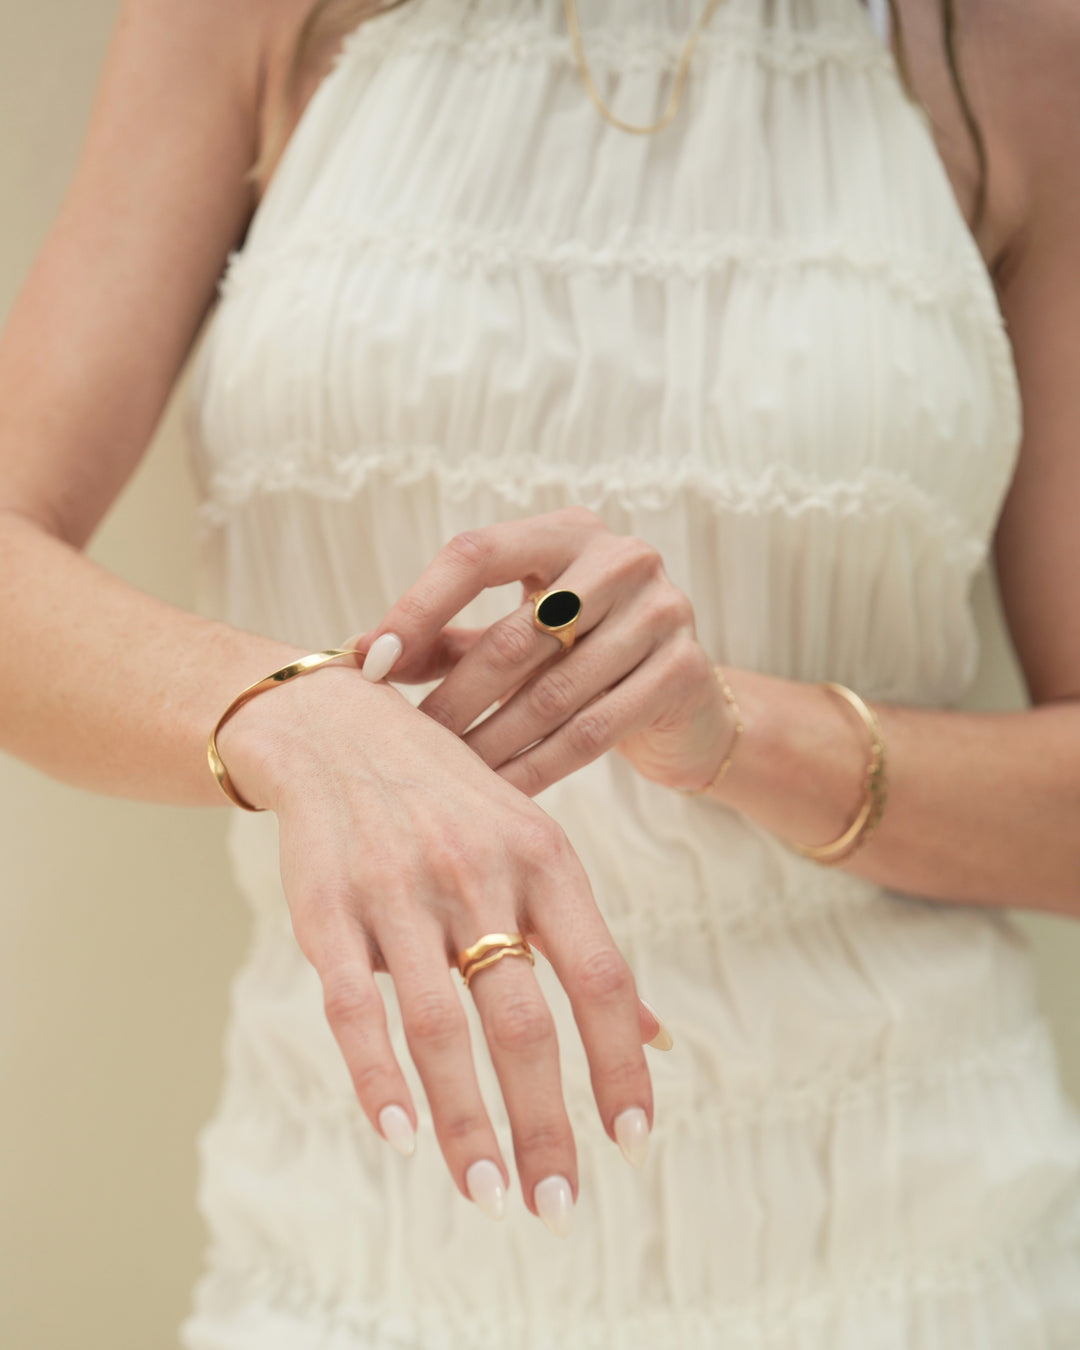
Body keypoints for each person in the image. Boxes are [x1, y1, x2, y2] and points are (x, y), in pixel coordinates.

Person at [2, 0, 1080, 1343]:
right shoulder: (245, 19)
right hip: (359, 1238)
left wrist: (740, 730)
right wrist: (303, 713)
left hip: (902, 1237)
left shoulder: (1012, 48)